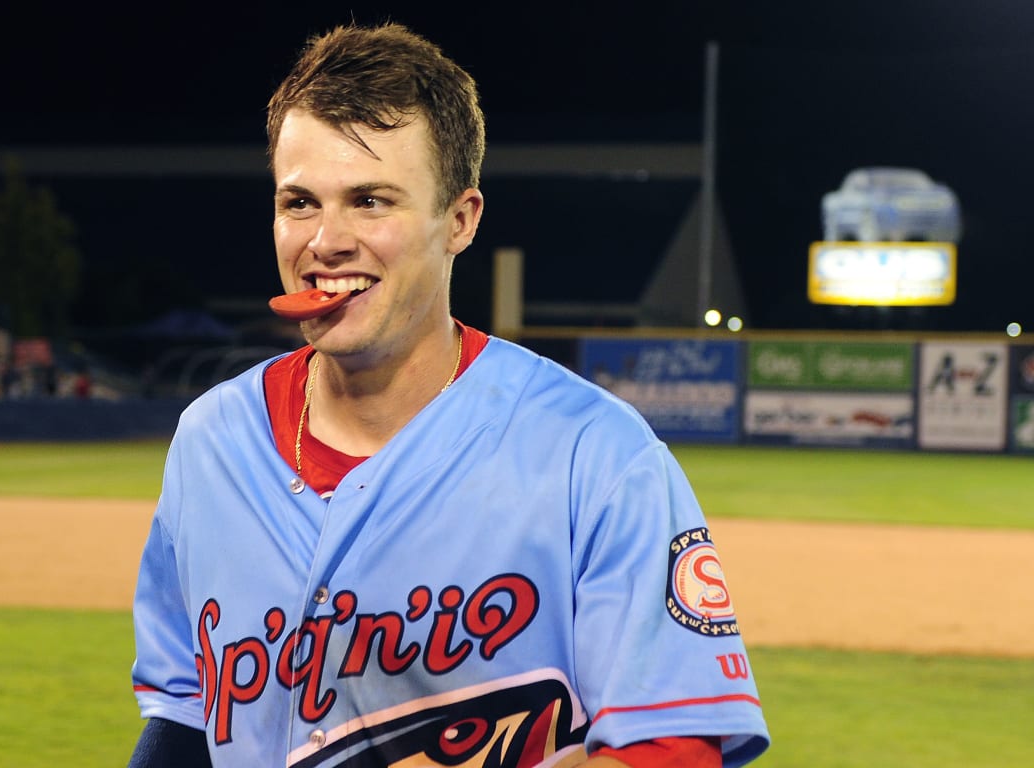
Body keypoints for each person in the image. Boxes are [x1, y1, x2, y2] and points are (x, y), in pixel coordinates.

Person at [127, 22, 769, 768]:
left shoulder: (593, 454)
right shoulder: (211, 442)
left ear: (459, 221)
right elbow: (185, 720)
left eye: (370, 201)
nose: (326, 241)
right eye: (300, 203)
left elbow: (676, 744)